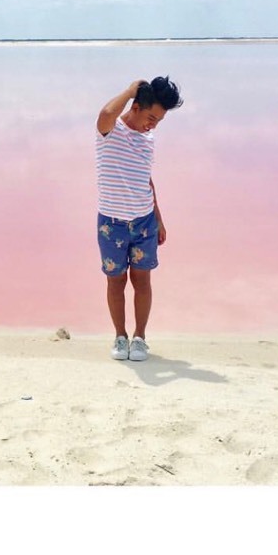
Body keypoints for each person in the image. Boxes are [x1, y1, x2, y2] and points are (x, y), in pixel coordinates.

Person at [96, 76, 183, 361]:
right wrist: (131, 89)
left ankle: (140, 338)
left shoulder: (148, 140)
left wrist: (159, 218)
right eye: (150, 117)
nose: (153, 124)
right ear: (135, 106)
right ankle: (120, 337)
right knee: (116, 281)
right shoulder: (110, 131)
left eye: (158, 121)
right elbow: (106, 113)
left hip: (144, 222)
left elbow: (146, 180)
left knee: (142, 280)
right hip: (112, 223)